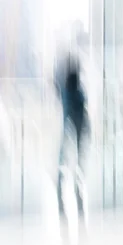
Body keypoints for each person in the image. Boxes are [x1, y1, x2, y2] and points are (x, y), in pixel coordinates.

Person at [55, 53, 88, 213]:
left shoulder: (66, 93)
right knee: (77, 152)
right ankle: (75, 180)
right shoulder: (77, 94)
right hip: (77, 121)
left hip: (72, 120)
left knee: (67, 152)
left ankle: (64, 180)